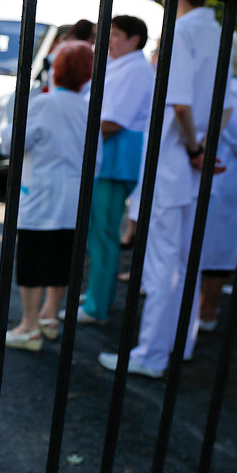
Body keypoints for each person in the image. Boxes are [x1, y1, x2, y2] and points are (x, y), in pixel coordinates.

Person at [97, 0, 229, 378]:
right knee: (186, 262)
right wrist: (204, 146)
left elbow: (180, 105)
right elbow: (225, 105)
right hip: (191, 165)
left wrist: (192, 148)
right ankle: (179, 345)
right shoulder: (219, 33)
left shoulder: (182, 32)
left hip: (173, 165)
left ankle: (151, 355)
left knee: (161, 265)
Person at [1, 42, 94, 351]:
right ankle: (50, 316)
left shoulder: (43, 104)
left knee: (33, 260)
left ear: (57, 69)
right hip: (74, 198)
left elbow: (12, 144)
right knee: (61, 258)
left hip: (41, 196)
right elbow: (98, 160)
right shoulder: (89, 108)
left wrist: (9, 117)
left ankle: (28, 326)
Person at [78, 16, 154, 324]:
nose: (108, 40)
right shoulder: (123, 66)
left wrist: (74, 132)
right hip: (110, 159)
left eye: (116, 34)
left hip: (114, 161)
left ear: (135, 39)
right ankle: (100, 292)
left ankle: (97, 306)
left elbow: (112, 122)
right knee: (99, 232)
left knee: (103, 234)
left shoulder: (135, 70)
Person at [198, 36, 237, 331]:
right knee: (213, 247)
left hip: (225, 179)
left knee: (215, 250)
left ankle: (206, 312)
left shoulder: (230, 89)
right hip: (227, 179)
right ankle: (204, 310)